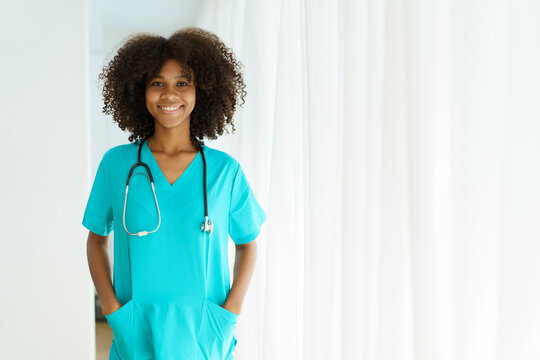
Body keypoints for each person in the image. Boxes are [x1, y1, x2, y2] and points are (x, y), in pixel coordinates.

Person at [83, 27, 267, 360]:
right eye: (157, 83)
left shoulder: (225, 171)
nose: (170, 95)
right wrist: (113, 310)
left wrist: (229, 313)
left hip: (205, 332)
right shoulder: (117, 164)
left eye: (183, 83)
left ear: (203, 90)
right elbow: (96, 240)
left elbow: (247, 244)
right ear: (141, 90)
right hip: (136, 328)